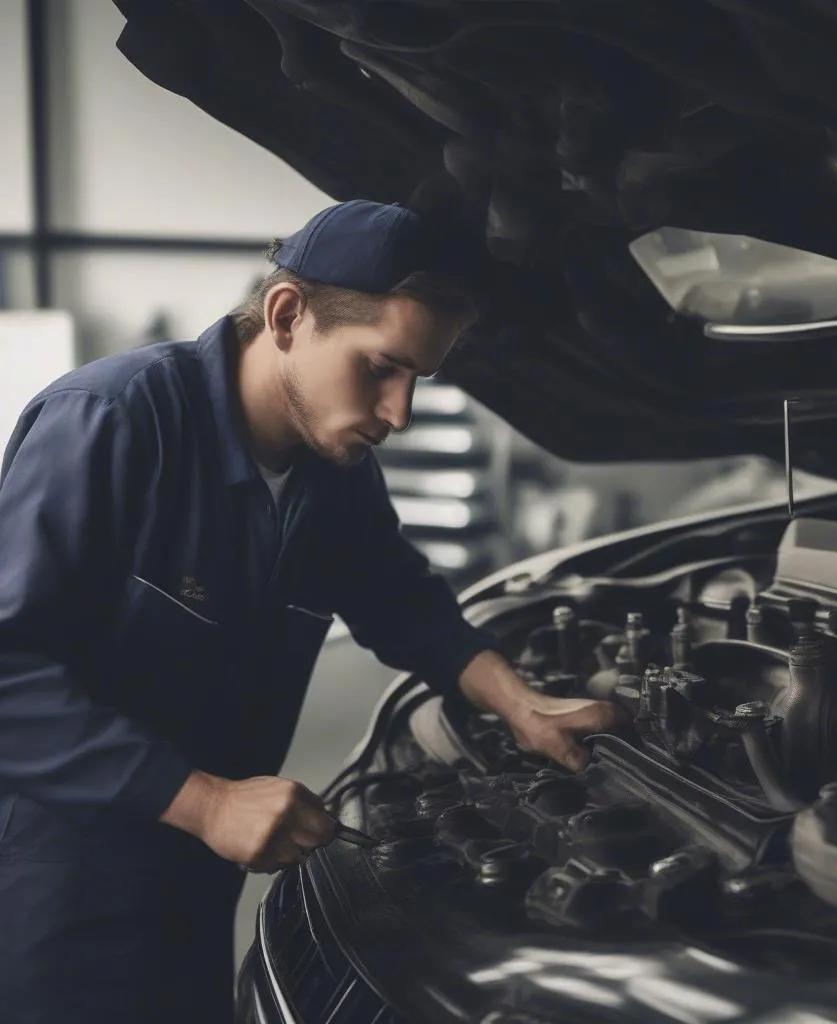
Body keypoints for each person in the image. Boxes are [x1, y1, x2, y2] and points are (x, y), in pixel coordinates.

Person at [0, 200, 625, 1024]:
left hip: (203, 876)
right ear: (288, 314)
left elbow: (392, 592)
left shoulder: (330, 469)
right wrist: (207, 803)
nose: (399, 413)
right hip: (67, 882)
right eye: (380, 368)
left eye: (417, 381)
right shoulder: (113, 421)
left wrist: (518, 702)